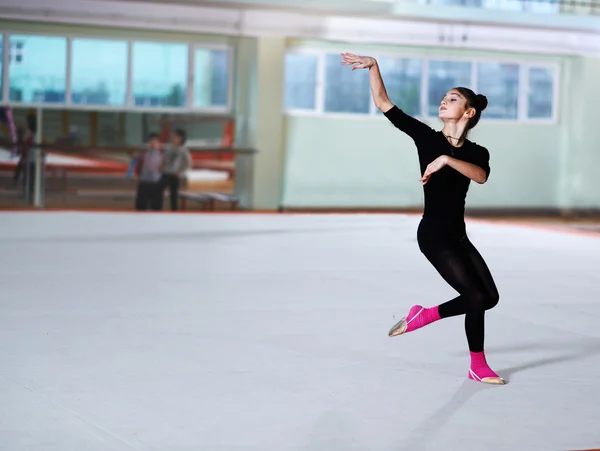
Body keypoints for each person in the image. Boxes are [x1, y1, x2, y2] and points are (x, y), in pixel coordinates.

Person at [341, 52, 503, 385]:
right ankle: (477, 365)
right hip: (433, 236)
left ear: (468, 112)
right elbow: (384, 102)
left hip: (459, 236)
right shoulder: (426, 138)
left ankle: (424, 315)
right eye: (443, 99)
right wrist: (373, 66)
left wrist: (446, 159)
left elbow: (481, 176)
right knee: (474, 297)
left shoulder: (477, 153)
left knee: (490, 298)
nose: (443, 102)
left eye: (452, 99)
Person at [160, 128, 192, 211]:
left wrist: (180, 172)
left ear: (181, 139)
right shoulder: (169, 148)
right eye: (173, 136)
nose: (174, 138)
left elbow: (188, 164)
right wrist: (161, 166)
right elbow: (164, 159)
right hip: (166, 173)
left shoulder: (184, 150)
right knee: (159, 191)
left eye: (176, 137)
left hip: (175, 175)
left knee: (174, 195)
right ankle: (157, 210)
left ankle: (174, 212)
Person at [134, 132, 164, 211]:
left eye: (156, 141)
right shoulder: (143, 155)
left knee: (156, 207)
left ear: (159, 143)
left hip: (157, 183)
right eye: (151, 141)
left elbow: (165, 169)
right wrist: (137, 175)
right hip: (144, 182)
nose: (153, 143)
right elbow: (138, 166)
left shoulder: (162, 156)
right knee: (141, 207)